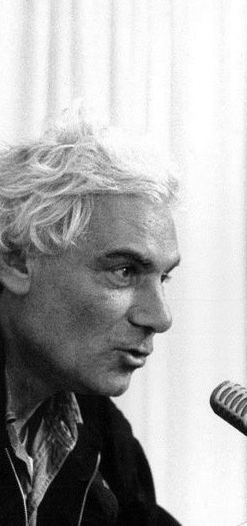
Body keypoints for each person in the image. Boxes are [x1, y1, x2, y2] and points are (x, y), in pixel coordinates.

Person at [0, 109, 181, 524]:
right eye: (124, 271)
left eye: (163, 278)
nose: (160, 317)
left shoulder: (97, 424)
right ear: (17, 261)